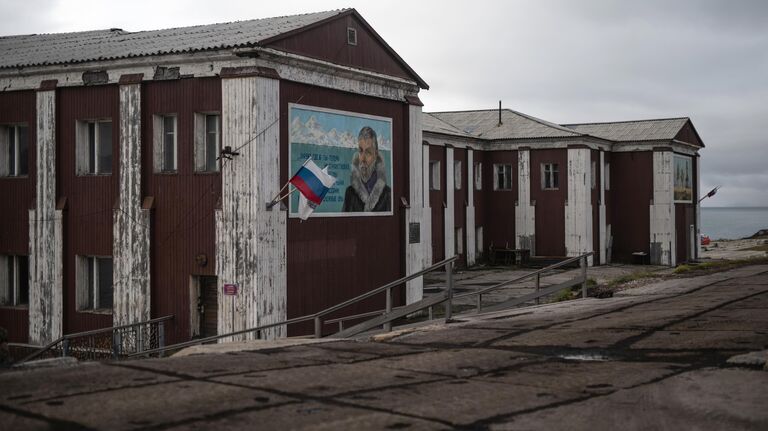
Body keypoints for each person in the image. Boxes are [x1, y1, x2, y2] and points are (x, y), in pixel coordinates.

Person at [343, 126, 391, 212]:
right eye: (361, 151)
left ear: (375, 155)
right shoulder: (350, 193)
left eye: (368, 152)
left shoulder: (387, 194)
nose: (363, 159)